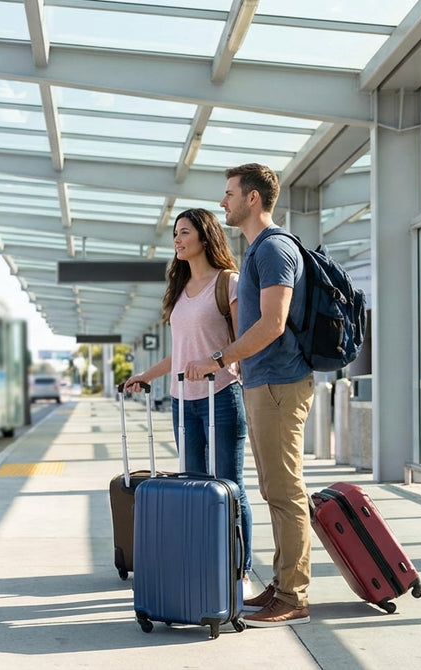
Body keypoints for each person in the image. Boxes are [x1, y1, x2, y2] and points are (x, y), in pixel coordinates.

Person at [184, 163, 314, 628]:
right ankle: (281, 586)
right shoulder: (260, 249)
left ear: (253, 199)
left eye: (230, 194)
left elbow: (273, 323)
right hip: (264, 383)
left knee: (285, 489)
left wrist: (220, 360)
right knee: (272, 489)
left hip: (280, 382)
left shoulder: (274, 249)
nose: (223, 202)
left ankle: (294, 594)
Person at [122, 208, 255, 596]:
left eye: (184, 233)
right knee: (195, 487)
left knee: (230, 486)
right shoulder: (179, 291)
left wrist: (217, 362)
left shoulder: (228, 282)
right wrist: (147, 375)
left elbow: (241, 341)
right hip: (183, 401)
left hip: (222, 397)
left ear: (204, 237)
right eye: (175, 235)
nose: (177, 240)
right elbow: (182, 352)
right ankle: (204, 563)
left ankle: (240, 571)